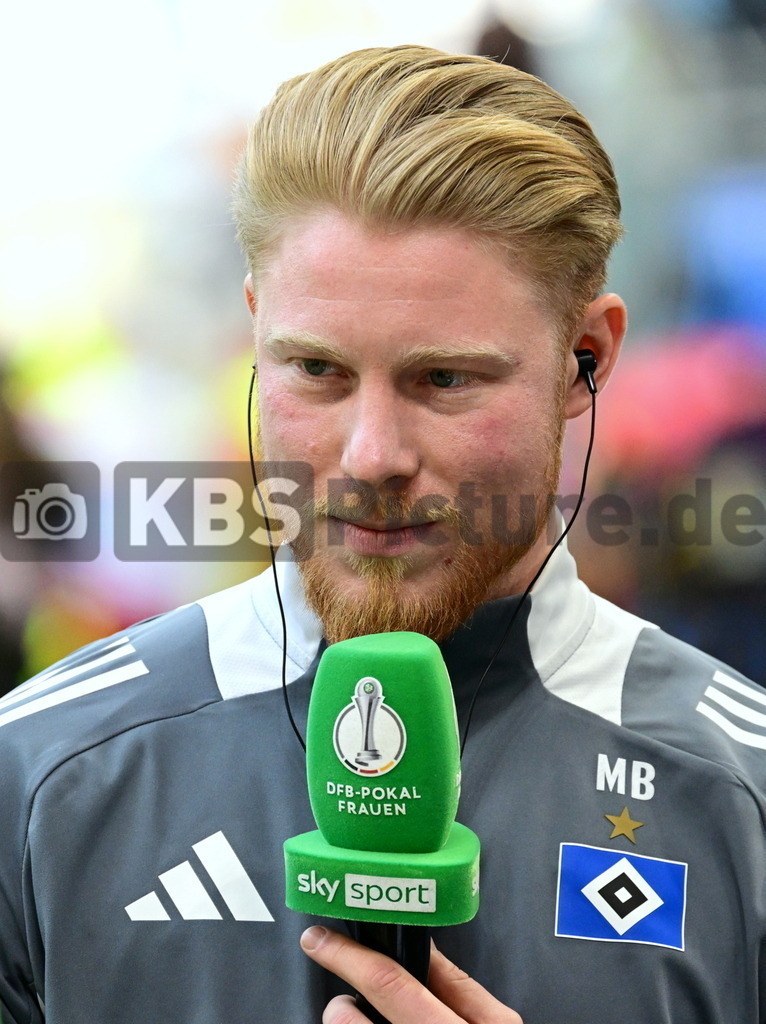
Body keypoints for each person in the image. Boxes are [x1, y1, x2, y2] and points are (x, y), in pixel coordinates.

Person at [1, 45, 764, 1024]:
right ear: (254, 329)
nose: (370, 455)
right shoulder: (41, 775)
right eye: (315, 369)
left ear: (587, 358)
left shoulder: (738, 799)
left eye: (443, 379)